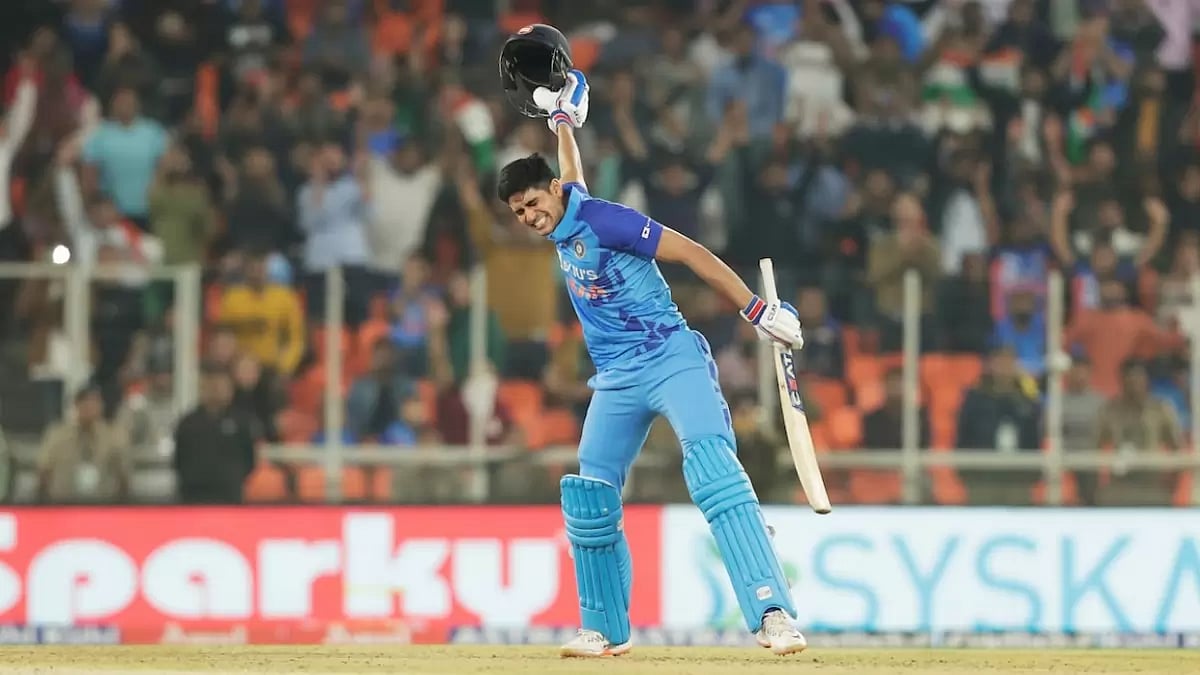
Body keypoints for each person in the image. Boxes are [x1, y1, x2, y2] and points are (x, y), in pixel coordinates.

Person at [496, 26, 807, 658]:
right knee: (589, 494)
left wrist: (755, 309)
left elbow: (689, 252)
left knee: (713, 471)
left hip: (670, 357)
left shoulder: (605, 218)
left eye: (533, 204)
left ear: (550, 191)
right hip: (615, 377)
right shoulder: (566, 210)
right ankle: (605, 631)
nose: (530, 219)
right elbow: (571, 176)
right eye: (519, 215)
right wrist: (563, 122)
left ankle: (773, 614)